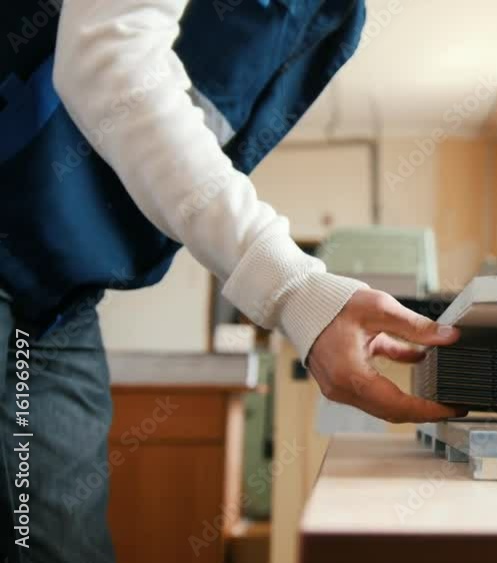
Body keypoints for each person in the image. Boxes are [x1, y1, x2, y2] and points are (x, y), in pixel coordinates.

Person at [1, 1, 462, 561]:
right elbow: (106, 53)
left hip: (55, 291)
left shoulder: (332, 15)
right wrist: (293, 287)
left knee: (60, 545)